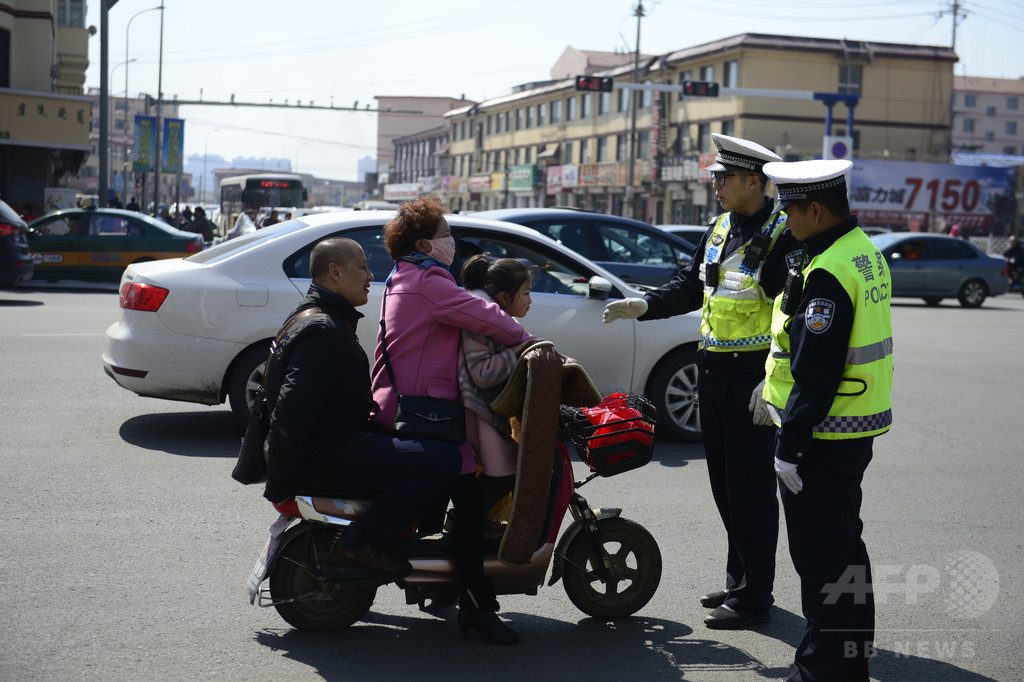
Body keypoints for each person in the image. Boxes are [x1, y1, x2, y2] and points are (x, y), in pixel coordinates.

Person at [603, 133, 802, 629]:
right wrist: (645, 305)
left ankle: (755, 596)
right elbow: (691, 284)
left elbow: (792, 315)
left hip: (751, 379)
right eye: (715, 177)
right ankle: (741, 581)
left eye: (724, 177)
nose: (715, 184)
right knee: (725, 487)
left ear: (754, 181)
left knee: (751, 489)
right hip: (711, 372)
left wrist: (773, 380)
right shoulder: (720, 228)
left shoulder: (782, 234)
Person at [369, 194, 533, 645]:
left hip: (403, 404)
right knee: (470, 504)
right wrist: (529, 340)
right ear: (425, 243)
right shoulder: (428, 282)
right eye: (445, 234)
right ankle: (478, 609)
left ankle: (439, 584)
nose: (451, 241)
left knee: (451, 502)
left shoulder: (401, 276)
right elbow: (483, 314)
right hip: (428, 413)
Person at [761, 159, 894, 682]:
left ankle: (823, 671)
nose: (785, 220)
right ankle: (851, 661)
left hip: (821, 435)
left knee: (821, 565)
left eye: (790, 210)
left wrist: (789, 448)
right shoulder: (861, 251)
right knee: (845, 553)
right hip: (854, 427)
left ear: (815, 209)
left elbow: (815, 373)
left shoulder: (829, 271)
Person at [263, 237, 461, 580]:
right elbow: (289, 413)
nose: (371, 276)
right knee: (445, 460)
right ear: (335, 272)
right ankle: (358, 543)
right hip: (329, 458)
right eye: (363, 267)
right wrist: (281, 482)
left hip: (336, 446)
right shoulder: (322, 330)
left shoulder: (316, 317)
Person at [458, 255, 534, 516]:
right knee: (507, 470)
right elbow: (481, 373)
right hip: (476, 410)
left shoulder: (496, 319)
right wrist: (517, 352)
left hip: (482, 409)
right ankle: (463, 524)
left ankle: (467, 524)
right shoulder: (483, 320)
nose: (530, 301)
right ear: (503, 296)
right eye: (525, 293)